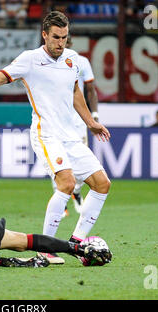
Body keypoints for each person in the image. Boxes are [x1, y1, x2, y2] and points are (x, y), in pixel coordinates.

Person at [0, 11, 112, 265]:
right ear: (44, 34)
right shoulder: (30, 60)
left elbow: (75, 91)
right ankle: (46, 249)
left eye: (64, 37)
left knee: (102, 184)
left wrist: (91, 122)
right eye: (55, 37)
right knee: (66, 182)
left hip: (71, 136)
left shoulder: (73, 59)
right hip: (46, 134)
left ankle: (76, 243)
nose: (60, 42)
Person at [53, 34, 100, 220]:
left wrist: (94, 115)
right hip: (57, 119)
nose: (63, 44)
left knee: (81, 160)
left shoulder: (81, 62)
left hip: (78, 119)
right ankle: (62, 199)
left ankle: (77, 191)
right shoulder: (48, 63)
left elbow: (90, 90)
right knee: (57, 159)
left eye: (66, 41)